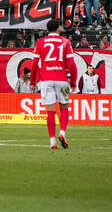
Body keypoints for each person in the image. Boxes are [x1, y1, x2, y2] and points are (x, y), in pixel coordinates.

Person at [29, 19, 76, 149]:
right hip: (61, 79)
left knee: (50, 111)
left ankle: (52, 142)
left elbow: (33, 64)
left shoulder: (40, 42)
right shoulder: (65, 42)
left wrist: (32, 81)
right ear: (58, 29)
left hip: (46, 79)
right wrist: (73, 81)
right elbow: (71, 64)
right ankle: (62, 133)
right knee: (64, 107)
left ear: (47, 29)